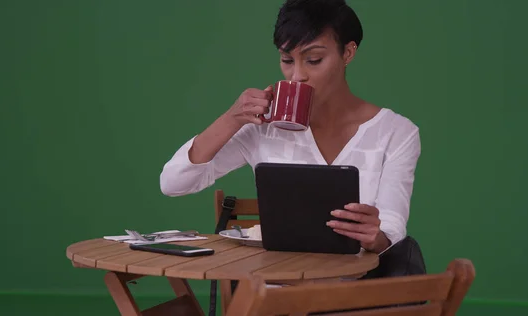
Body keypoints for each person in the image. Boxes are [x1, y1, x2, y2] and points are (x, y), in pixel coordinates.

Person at [159, 0, 421, 254]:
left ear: (348, 52)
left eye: (314, 59)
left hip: (355, 289)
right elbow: (174, 183)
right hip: (277, 289)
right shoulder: (264, 127)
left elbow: (392, 231)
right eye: (287, 60)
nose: (297, 76)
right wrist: (231, 118)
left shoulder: (396, 132)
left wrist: (376, 237)